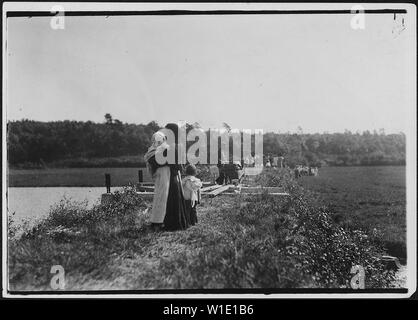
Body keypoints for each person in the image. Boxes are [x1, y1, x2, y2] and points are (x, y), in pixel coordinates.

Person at [144, 123, 190, 231]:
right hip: (168, 175)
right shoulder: (167, 145)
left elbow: (172, 162)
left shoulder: (169, 145)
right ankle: (167, 223)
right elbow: (156, 160)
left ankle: (166, 223)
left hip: (170, 176)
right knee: (169, 198)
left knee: (168, 198)